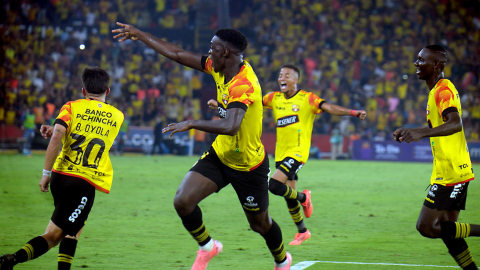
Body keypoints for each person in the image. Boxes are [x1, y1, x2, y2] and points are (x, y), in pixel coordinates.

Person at [112, 23, 292, 270]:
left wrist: (191, 123)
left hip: (249, 165)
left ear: (225, 52)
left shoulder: (244, 84)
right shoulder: (219, 68)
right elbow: (178, 54)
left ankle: (283, 261)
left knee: (260, 225)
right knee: (183, 201)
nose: (208, 53)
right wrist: (140, 35)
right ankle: (208, 247)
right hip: (220, 155)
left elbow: (231, 126)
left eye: (212, 48)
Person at [0, 67, 124, 270]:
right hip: (83, 181)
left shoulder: (71, 107)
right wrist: (59, 132)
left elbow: (60, 134)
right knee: (61, 234)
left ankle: (13, 259)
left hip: (59, 177)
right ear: (108, 91)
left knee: (64, 229)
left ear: (83, 91)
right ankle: (13, 259)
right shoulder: (118, 116)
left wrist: (45, 174)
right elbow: (92, 132)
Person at [393, 45, 479, 270]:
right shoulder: (436, 91)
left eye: (422, 60)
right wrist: (414, 129)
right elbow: (443, 125)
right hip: (452, 168)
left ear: (437, 65)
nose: (416, 63)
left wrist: (420, 133)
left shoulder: (443, 90)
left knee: (427, 227)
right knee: (449, 230)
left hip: (450, 172)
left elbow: (455, 122)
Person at [262, 65, 366, 245]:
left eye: (287, 75)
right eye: (280, 75)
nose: (282, 78)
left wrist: (352, 112)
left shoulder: (307, 98)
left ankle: (304, 197)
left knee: (274, 185)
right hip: (281, 152)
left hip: (297, 152)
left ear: (296, 80)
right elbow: (251, 101)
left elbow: (329, 107)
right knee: (289, 194)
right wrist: (222, 104)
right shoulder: (273, 98)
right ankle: (302, 231)